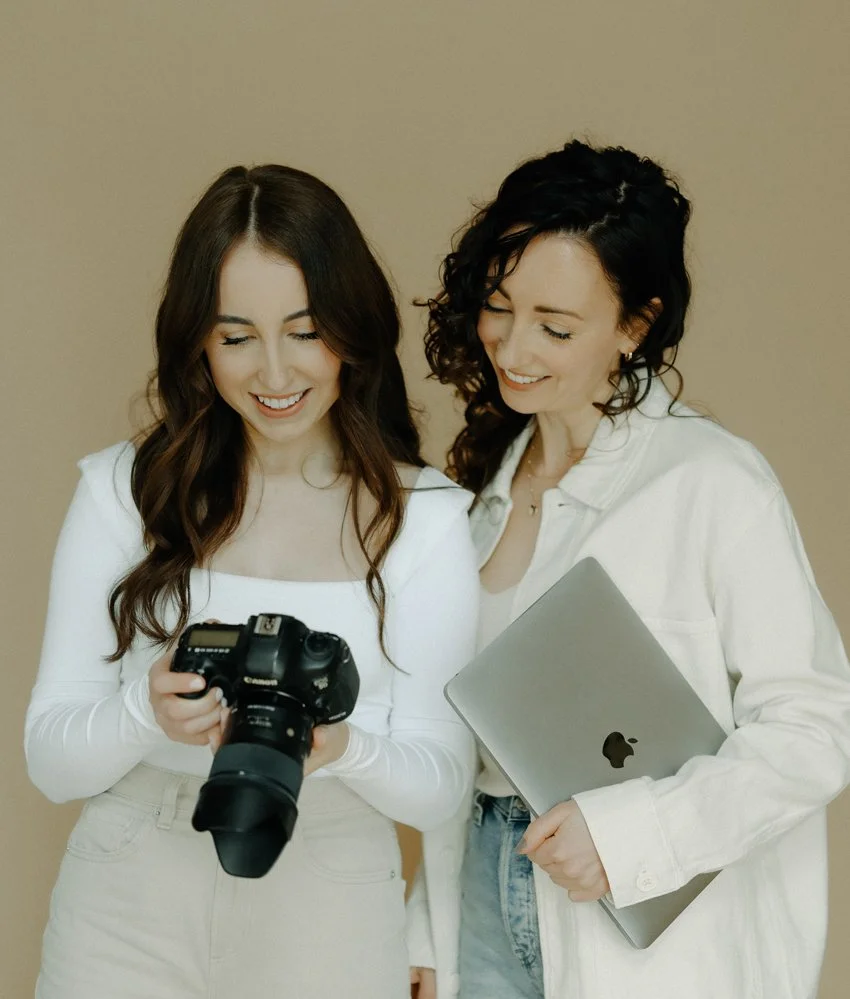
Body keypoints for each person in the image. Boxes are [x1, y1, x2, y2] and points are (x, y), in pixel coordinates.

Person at [407, 139, 850, 999]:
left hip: (649, 937)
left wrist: (631, 836)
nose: (513, 346)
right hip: (483, 901)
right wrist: (429, 925)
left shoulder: (711, 482)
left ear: (635, 326)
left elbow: (815, 727)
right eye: (499, 306)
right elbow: (464, 741)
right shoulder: (476, 500)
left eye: (556, 326)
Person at [25, 163, 479, 999]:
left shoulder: (426, 518)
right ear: (198, 343)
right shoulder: (123, 489)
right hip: (128, 889)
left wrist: (336, 745)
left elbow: (442, 786)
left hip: (330, 890)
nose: (274, 373)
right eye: (236, 338)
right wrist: (148, 709)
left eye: (305, 332)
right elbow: (51, 761)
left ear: (351, 327)